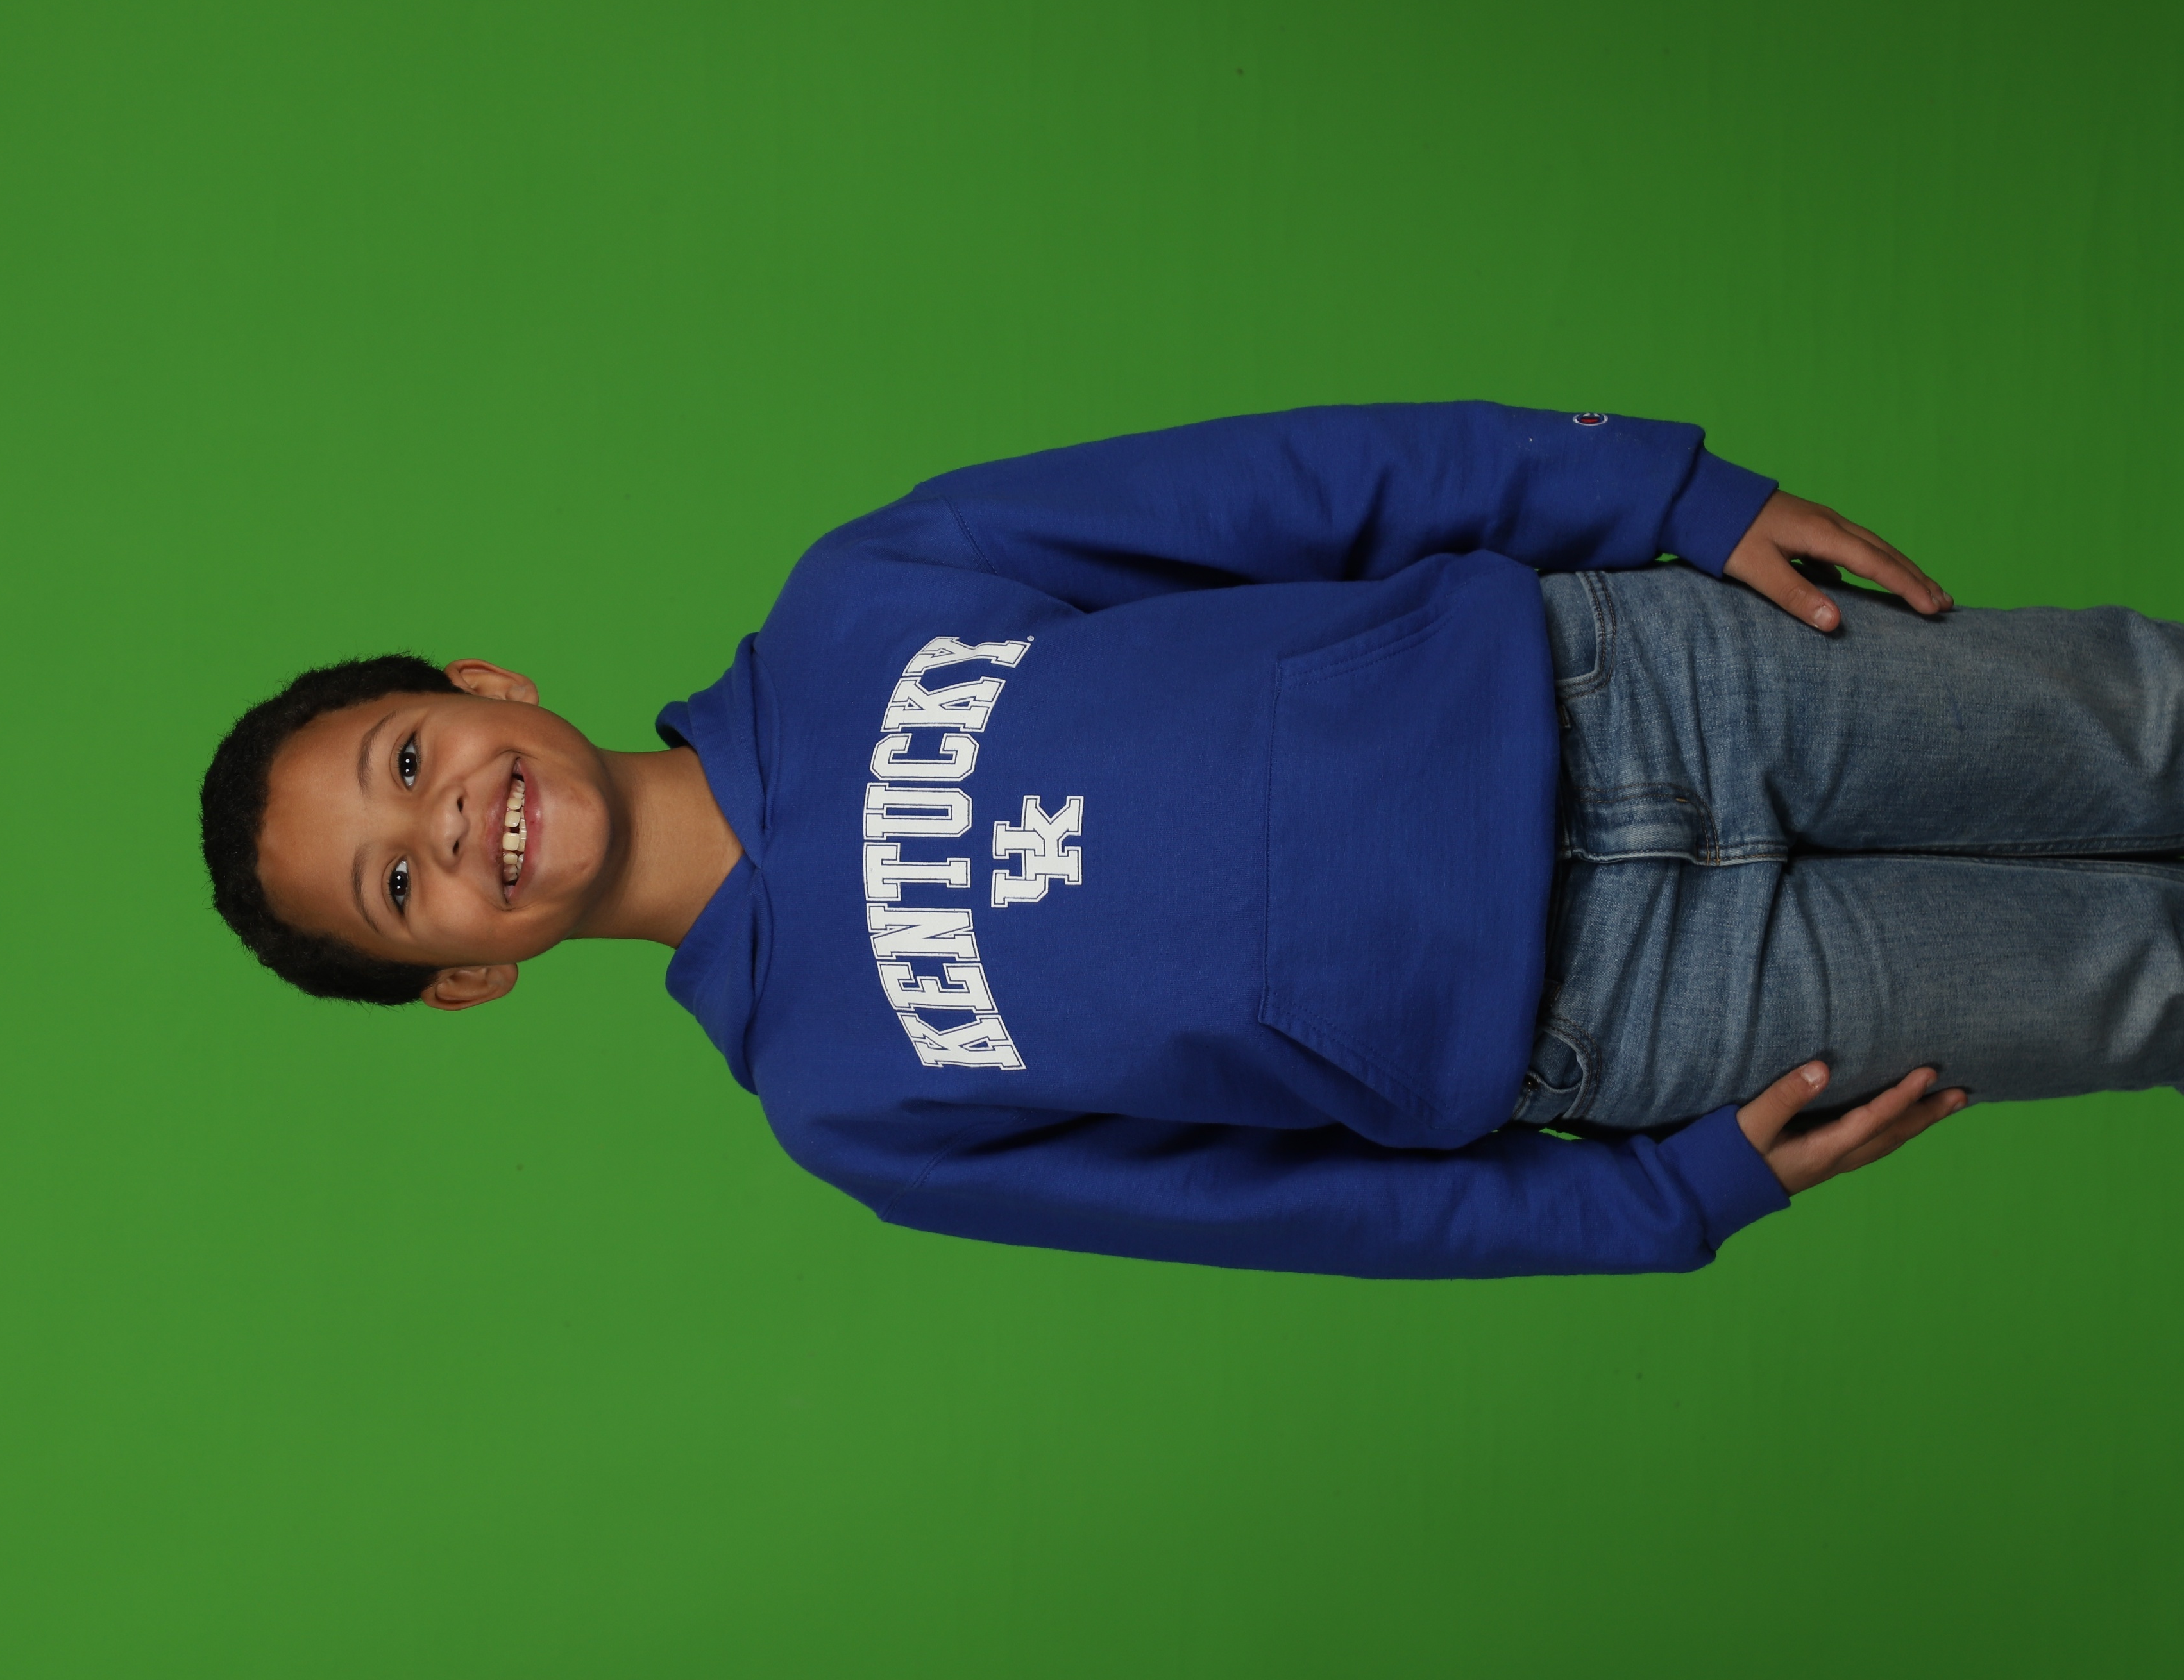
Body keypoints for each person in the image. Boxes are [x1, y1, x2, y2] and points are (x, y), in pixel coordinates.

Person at [199, 403, 2184, 1277]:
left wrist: (1661, 488)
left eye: (405, 754)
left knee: (2143, 721)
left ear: (480, 679)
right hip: (1644, 1017)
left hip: (1638, 685)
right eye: (400, 883)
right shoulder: (845, 1107)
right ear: (465, 976)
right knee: (2139, 992)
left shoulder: (860, 596)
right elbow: (1271, 1212)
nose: (447, 820)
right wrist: (1646, 1208)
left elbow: (1280, 484)